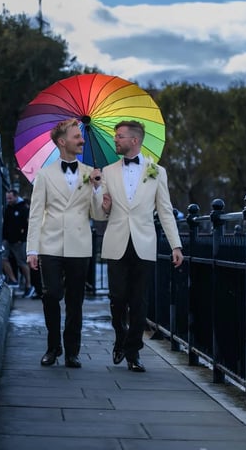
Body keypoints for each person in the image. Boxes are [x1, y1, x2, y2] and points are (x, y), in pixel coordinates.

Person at [94, 120, 183, 372]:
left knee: (139, 300)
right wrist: (102, 199)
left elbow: (165, 210)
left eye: (119, 136)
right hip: (116, 242)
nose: (115, 140)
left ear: (134, 140)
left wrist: (176, 246)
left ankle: (133, 352)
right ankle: (120, 336)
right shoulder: (107, 171)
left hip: (144, 243)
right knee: (117, 298)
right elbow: (100, 214)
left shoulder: (157, 171)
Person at [26, 118, 101, 368]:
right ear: (62, 142)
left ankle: (72, 352)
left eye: (81, 136)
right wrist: (32, 249)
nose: (81, 141)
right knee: (51, 295)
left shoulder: (90, 173)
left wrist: (97, 189)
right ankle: (53, 346)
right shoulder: (44, 175)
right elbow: (36, 213)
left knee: (75, 301)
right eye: (76, 136)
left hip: (79, 245)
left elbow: (98, 214)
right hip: (50, 244)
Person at [2, 189, 34, 297]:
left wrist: (22, 238)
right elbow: (6, 224)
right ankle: (13, 280)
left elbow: (27, 225)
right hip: (8, 240)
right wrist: (4, 237)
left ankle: (29, 285)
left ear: (16, 197)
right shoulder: (9, 208)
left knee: (22, 263)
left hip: (19, 241)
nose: (8, 200)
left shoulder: (23, 208)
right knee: (3, 258)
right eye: (7, 198)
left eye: (10, 198)